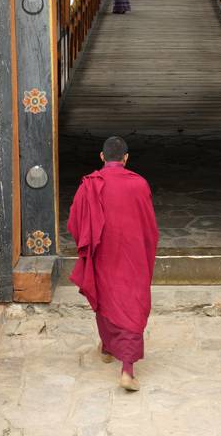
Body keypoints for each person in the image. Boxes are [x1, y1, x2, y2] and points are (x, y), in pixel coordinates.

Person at [67, 136, 159, 392]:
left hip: (103, 253)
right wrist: (145, 247)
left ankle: (108, 347)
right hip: (132, 254)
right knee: (132, 302)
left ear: (101, 156)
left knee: (106, 297)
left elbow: (74, 222)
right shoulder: (139, 184)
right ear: (126, 158)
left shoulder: (89, 185)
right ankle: (126, 369)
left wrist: (88, 245)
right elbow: (150, 226)